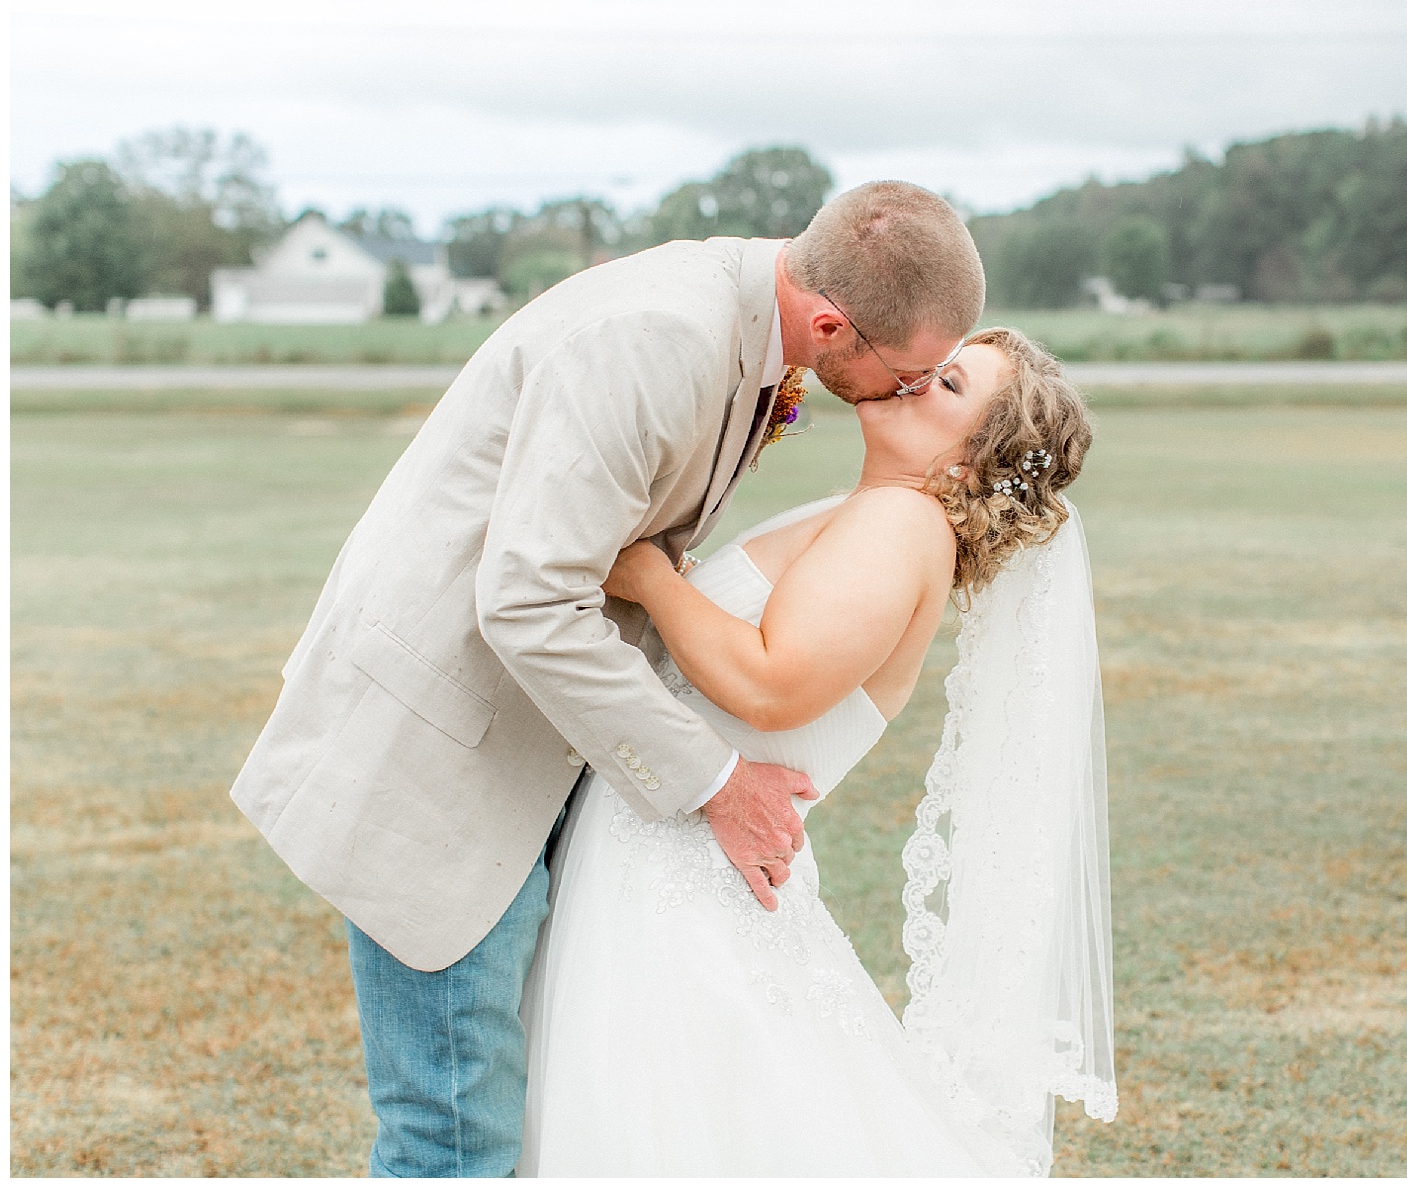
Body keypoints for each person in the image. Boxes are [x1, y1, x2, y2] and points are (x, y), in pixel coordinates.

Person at [228, 182, 986, 1177]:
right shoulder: (662, 337)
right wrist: (716, 780)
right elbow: (529, 602)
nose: (905, 391)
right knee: (451, 1132)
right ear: (832, 322)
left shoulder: (755, 318)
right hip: (450, 746)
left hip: (542, 743)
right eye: (907, 372)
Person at [519, 328, 1115, 1176]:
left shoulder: (904, 523)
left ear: (969, 465)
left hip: (684, 873)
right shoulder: (868, 511)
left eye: (947, 386)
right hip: (663, 846)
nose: (914, 380)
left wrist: (651, 576)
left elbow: (771, 684)